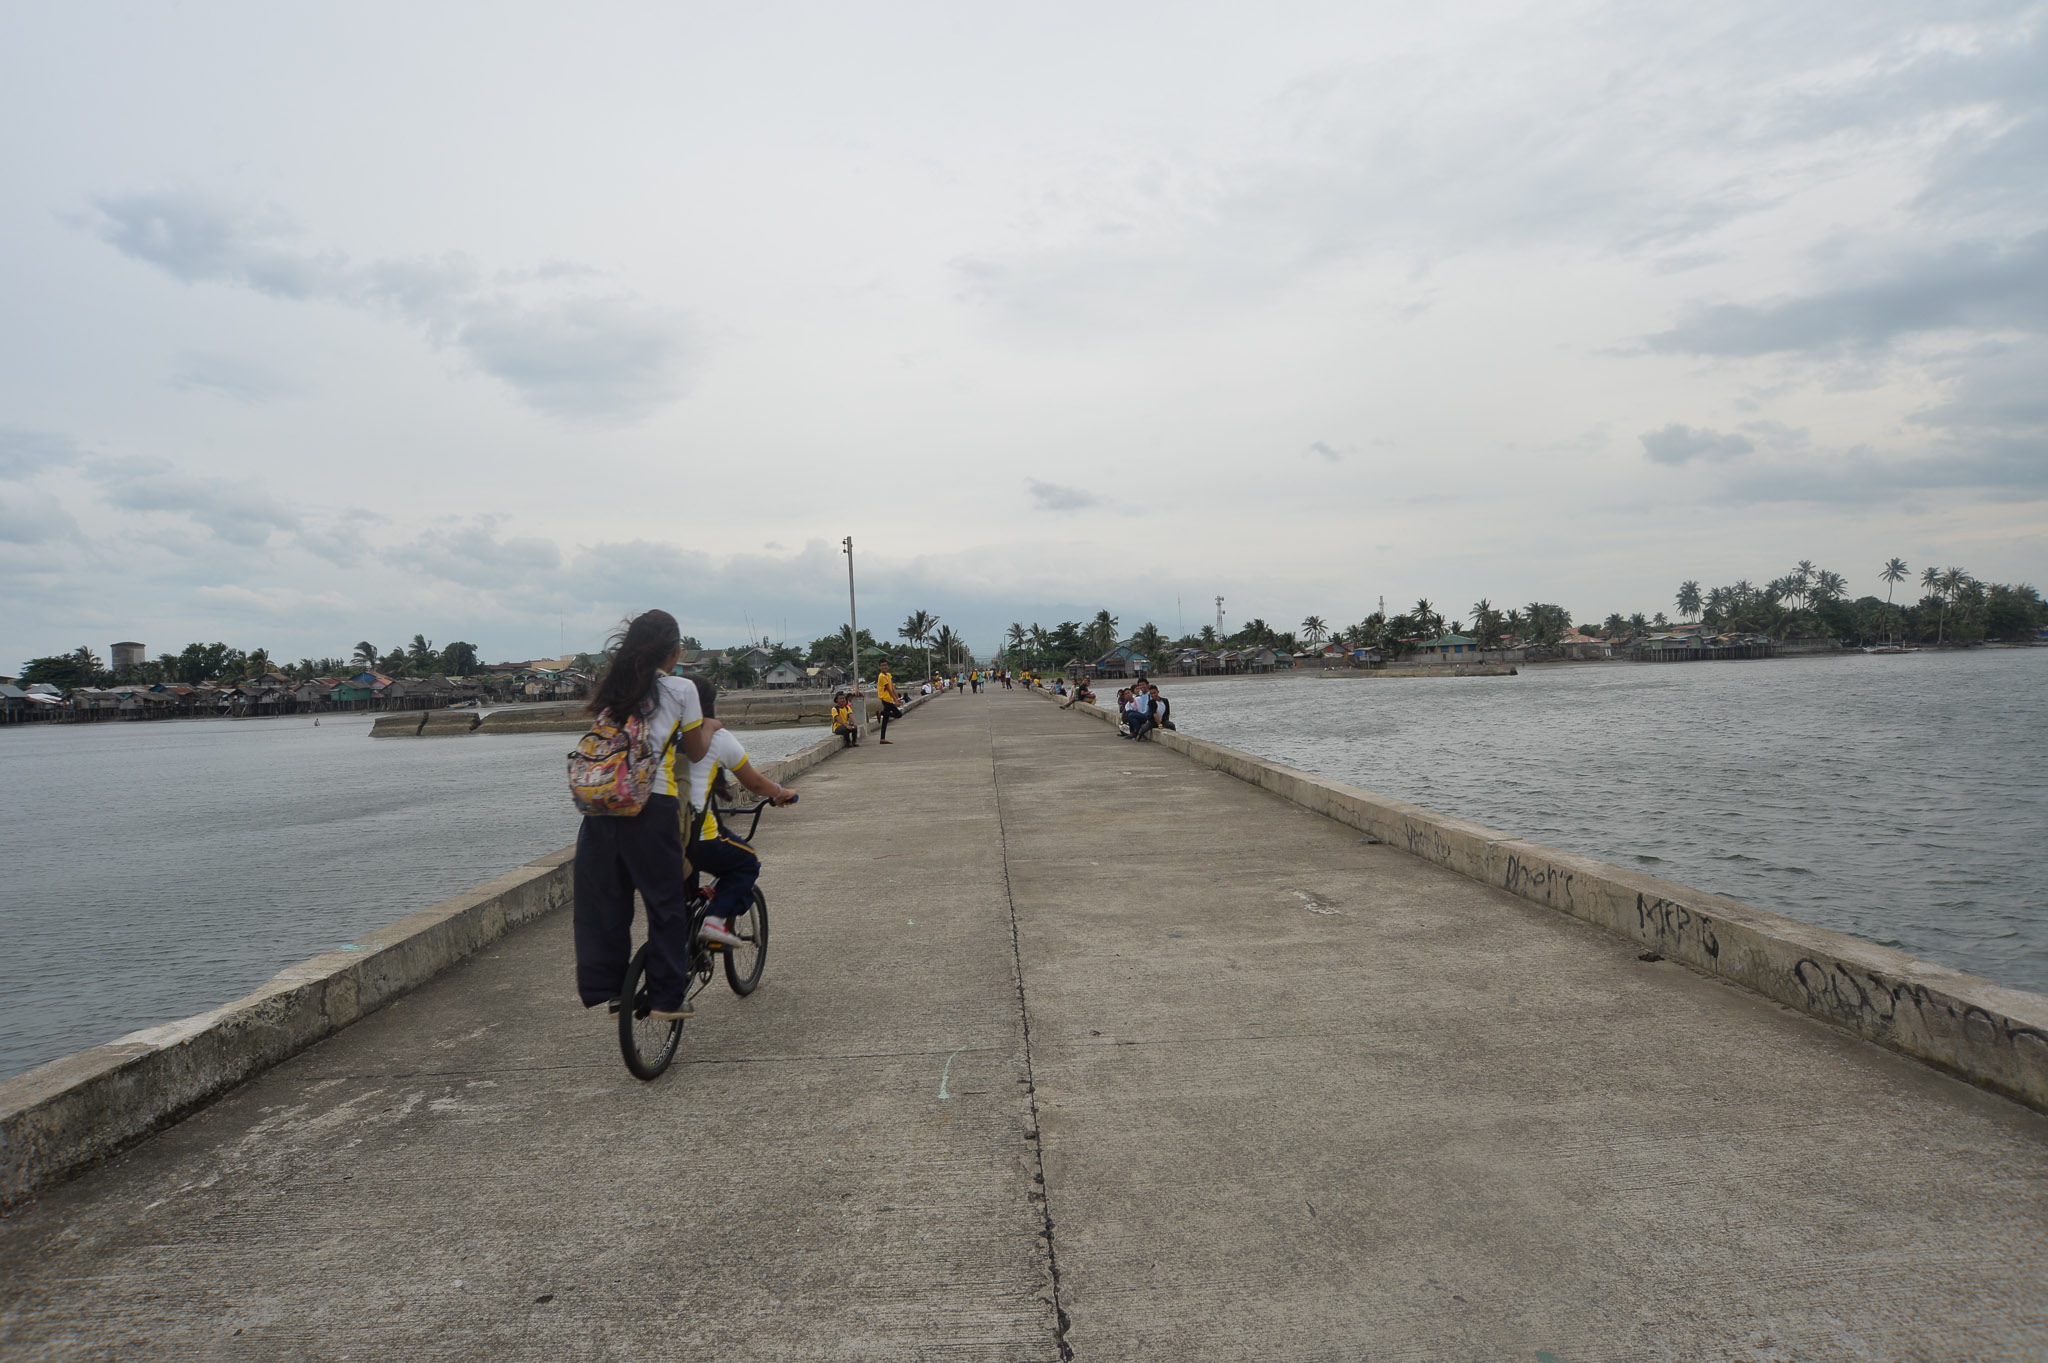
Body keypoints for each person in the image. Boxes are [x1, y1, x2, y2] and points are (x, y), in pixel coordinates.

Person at [572, 609, 720, 1021]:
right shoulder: (682, 689)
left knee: (605, 903)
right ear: (674, 652)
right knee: (665, 903)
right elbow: (694, 751)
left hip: (601, 807)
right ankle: (667, 998)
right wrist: (709, 726)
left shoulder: (613, 689)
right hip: (651, 807)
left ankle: (611, 987)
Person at [683, 676, 794, 949]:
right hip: (699, 837)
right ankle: (714, 920)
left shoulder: (660, 734)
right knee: (747, 862)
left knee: (678, 908)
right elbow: (755, 783)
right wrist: (780, 792)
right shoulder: (717, 736)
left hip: (658, 835)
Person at [876, 662, 903, 743]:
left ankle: (882, 738)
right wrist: (895, 700)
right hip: (885, 699)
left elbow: (892, 688)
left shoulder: (888, 675)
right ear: (879, 667)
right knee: (898, 714)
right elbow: (888, 688)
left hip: (889, 699)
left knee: (885, 720)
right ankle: (881, 713)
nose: (884, 667)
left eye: (885, 665)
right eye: (882, 665)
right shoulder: (881, 676)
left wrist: (897, 698)